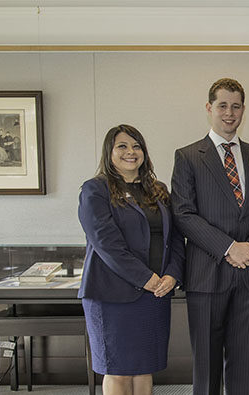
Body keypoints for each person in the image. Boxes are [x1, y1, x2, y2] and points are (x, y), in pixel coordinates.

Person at [170, 78, 249, 395]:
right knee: (206, 366)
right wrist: (229, 247)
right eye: (222, 105)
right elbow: (183, 213)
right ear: (209, 108)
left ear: (243, 110)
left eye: (236, 106)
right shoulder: (189, 157)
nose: (229, 113)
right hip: (207, 276)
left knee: (244, 362)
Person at [77, 124, 183, 395]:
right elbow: (107, 245)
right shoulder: (95, 190)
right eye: (122, 146)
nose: (131, 152)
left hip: (155, 293)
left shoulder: (157, 190)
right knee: (119, 371)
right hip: (112, 297)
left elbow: (176, 238)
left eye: (137, 146)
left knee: (143, 369)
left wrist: (172, 275)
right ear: (109, 152)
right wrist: (146, 278)